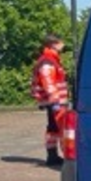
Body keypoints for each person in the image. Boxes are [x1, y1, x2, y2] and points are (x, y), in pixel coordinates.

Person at [31, 33, 69, 166]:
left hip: (53, 101)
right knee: (63, 128)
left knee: (53, 128)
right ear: (54, 44)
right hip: (55, 101)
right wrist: (55, 101)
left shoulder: (50, 59)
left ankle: (52, 156)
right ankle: (69, 159)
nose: (63, 44)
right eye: (61, 42)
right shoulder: (48, 61)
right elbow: (48, 82)